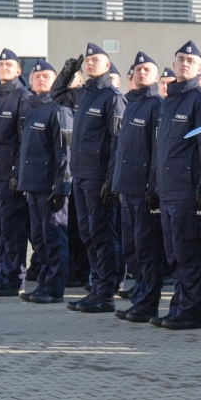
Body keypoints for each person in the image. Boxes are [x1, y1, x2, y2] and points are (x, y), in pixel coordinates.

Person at [55, 43, 126, 313]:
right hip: (81, 176)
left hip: (99, 179)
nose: (91, 63)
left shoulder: (112, 97)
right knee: (87, 234)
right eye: (88, 61)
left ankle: (106, 292)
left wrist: (111, 180)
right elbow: (58, 95)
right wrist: (66, 72)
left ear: (107, 65)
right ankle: (96, 288)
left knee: (102, 234)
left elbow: (117, 142)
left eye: (97, 60)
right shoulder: (84, 94)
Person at [154, 41, 201, 329]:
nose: (183, 64)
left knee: (188, 252)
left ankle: (191, 311)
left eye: (190, 61)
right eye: (180, 59)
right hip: (168, 191)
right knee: (173, 254)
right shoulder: (170, 100)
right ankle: (178, 306)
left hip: (188, 193)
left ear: (199, 68)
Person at [113, 52, 166, 324]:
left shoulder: (156, 105)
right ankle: (140, 297)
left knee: (147, 250)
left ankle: (147, 304)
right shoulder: (130, 105)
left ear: (156, 77)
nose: (142, 73)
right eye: (137, 69)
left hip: (145, 192)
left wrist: (153, 187)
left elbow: (158, 150)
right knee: (131, 249)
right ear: (130, 76)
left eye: (148, 69)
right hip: (127, 189)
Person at [17, 60, 72, 304]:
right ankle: (43, 283)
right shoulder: (32, 108)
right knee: (39, 239)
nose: (40, 79)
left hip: (51, 189)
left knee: (53, 238)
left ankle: (54, 288)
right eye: (36, 76)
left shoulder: (58, 109)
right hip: (33, 186)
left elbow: (66, 153)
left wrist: (61, 187)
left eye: (46, 76)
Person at [0, 48, 31, 296]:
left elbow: (23, 141)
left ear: (19, 71)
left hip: (8, 177)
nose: (4, 69)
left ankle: (13, 278)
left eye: (9, 66)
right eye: (1, 65)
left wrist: (16, 173)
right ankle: (2, 273)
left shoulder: (22, 97)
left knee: (12, 230)